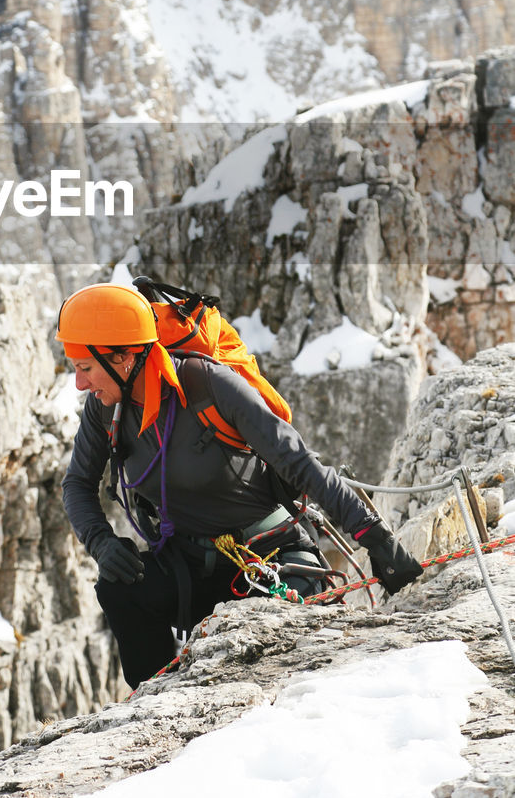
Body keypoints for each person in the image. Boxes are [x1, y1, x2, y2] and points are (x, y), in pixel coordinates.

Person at [58, 283, 422, 689]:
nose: (80, 385)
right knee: (119, 589)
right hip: (190, 567)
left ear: (124, 357)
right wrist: (102, 543)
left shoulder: (208, 386)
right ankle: (156, 701)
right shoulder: (106, 409)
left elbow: (299, 462)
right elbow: (77, 484)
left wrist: (376, 537)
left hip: (268, 560)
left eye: (85, 368)